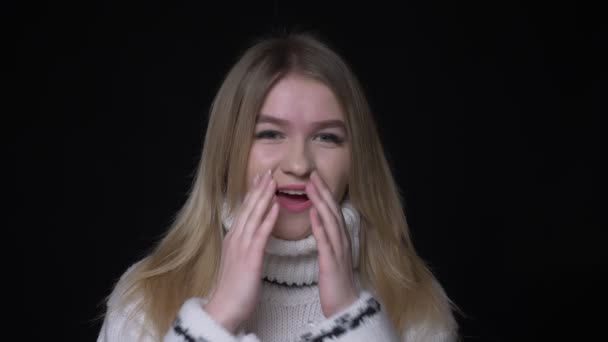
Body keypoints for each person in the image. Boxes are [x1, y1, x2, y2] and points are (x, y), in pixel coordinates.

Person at [97, 33, 458, 342]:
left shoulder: (414, 300)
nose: (299, 164)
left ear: (355, 160)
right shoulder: (146, 296)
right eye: (270, 133)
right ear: (228, 150)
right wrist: (217, 318)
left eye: (327, 137)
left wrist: (353, 319)